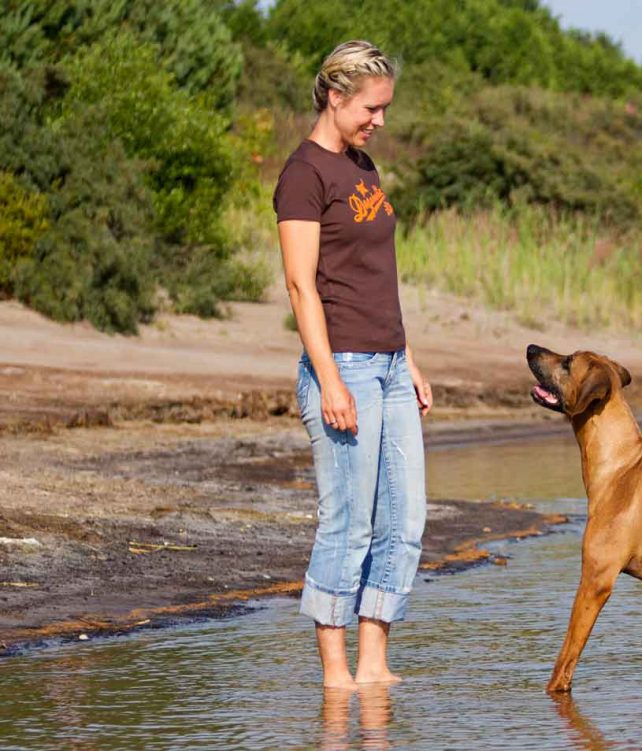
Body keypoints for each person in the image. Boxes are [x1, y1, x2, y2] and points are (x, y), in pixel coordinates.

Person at [274, 40, 431, 688]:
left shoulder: (362, 167)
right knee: (350, 523)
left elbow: (378, 277)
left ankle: (374, 664)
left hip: (390, 365)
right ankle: (336, 675)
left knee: (406, 519)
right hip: (343, 367)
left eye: (385, 108)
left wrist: (411, 360)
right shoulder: (303, 174)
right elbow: (300, 286)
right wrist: (331, 378)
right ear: (336, 97)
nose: (380, 121)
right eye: (373, 107)